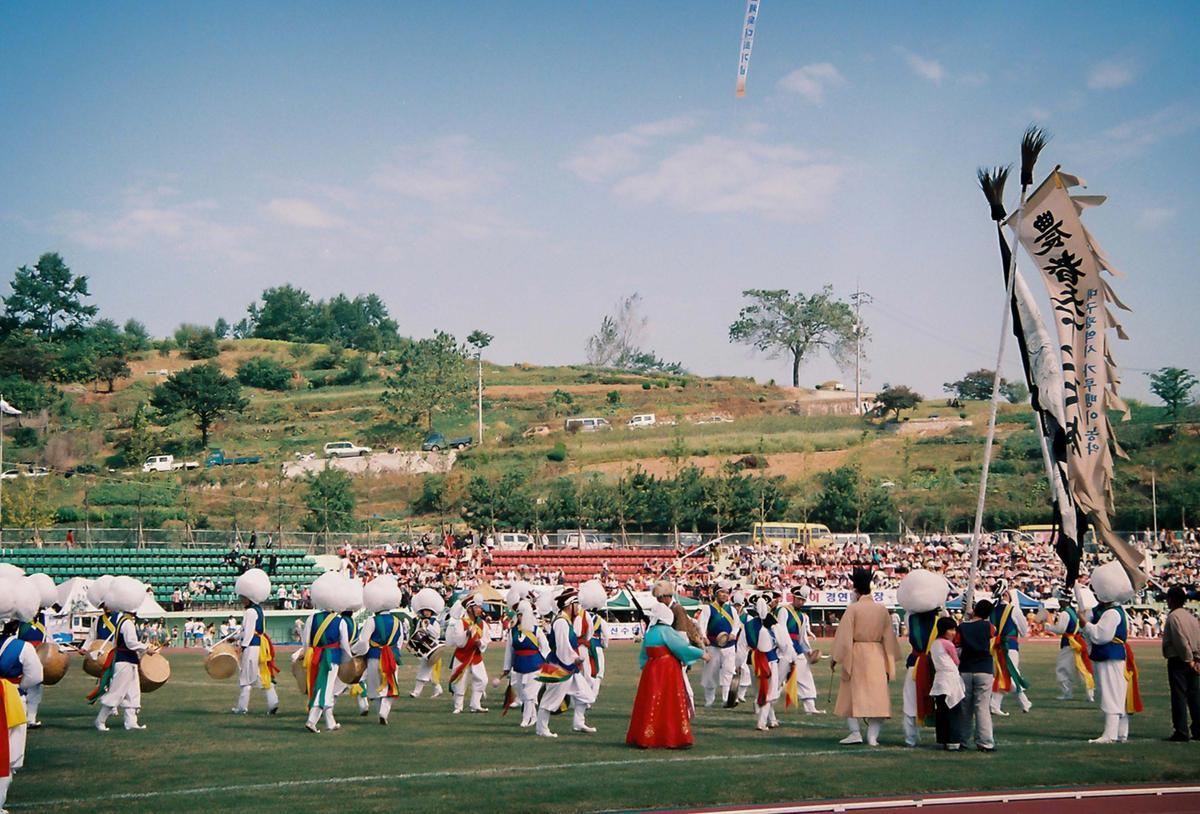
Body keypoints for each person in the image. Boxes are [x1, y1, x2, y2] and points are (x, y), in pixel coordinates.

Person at [832, 567, 900, 747]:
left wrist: (835, 658)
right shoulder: (881, 610)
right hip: (877, 655)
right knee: (878, 697)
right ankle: (872, 736)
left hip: (857, 654)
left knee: (850, 695)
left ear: (855, 591)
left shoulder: (853, 609)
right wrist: (889, 662)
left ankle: (855, 733)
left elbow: (844, 637)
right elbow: (889, 638)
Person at [626, 601, 709, 749]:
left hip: (651, 669)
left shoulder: (650, 632)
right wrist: (701, 653)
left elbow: (643, 655)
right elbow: (681, 647)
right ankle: (673, 736)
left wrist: (646, 667)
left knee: (650, 700)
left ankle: (646, 735)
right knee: (670, 701)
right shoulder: (667, 631)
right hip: (667, 668)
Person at [1081, 561, 1143, 744]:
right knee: (1117, 693)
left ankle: (1110, 734)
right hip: (1114, 655)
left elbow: (1101, 636)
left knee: (1110, 693)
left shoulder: (1112, 613)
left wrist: (1086, 626)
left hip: (1110, 655)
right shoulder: (1112, 610)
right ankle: (1121, 733)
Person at [0, 576, 44, 814]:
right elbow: (35, 677)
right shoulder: (23, 647)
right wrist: (16, 686)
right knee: (8, 753)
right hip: (11, 700)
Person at [293, 572, 355, 733]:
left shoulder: (312, 618)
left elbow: (306, 642)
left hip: (315, 656)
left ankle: (330, 722)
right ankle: (312, 720)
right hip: (331, 657)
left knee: (321, 685)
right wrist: (347, 659)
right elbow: (344, 645)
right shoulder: (340, 621)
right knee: (325, 688)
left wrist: (307, 655)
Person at [91, 577, 153, 732]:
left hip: (129, 660)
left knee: (133, 692)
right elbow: (131, 643)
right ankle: (100, 720)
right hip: (124, 660)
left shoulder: (123, 621)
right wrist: (146, 648)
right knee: (117, 692)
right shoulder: (126, 622)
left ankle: (131, 722)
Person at [897, 569, 949, 747]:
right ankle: (944, 737)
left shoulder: (910, 618)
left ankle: (910, 738)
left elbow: (910, 610)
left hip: (916, 664)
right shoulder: (941, 619)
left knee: (910, 701)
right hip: (937, 665)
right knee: (941, 701)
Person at [354, 575, 405, 725]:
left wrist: (354, 651)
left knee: (375, 686)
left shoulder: (371, 621)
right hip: (392, 657)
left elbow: (363, 642)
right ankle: (384, 712)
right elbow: (400, 642)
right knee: (391, 685)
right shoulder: (398, 621)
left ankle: (380, 713)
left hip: (374, 657)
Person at [534, 589, 585, 738]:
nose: (579, 607)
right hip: (559, 666)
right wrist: (574, 658)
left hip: (566, 666)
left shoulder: (566, 621)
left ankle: (579, 722)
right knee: (551, 698)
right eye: (577, 604)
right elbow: (563, 647)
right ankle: (541, 728)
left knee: (586, 695)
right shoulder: (561, 622)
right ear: (570, 605)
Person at [232, 568, 280, 716]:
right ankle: (273, 701)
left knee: (246, 678)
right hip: (258, 645)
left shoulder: (250, 612)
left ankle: (242, 707)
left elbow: (248, 632)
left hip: (252, 646)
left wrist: (242, 646)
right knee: (259, 675)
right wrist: (237, 637)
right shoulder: (258, 609)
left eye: (243, 597)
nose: (241, 599)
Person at [17, 574, 57, 729]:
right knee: (21, 687)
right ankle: (20, 717)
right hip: (22, 653)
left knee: (36, 687)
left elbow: (47, 636)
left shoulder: (43, 618)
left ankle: (31, 719)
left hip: (38, 655)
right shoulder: (21, 617)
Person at [1161, 585, 1200, 742]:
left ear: (1170, 600)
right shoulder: (1191, 616)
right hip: (1194, 659)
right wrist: (1197, 659)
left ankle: (1181, 730)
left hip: (1180, 660)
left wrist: (1188, 659)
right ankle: (1198, 729)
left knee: (1179, 696)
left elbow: (1180, 641)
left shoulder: (1173, 617)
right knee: (1195, 696)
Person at [501, 584, 544, 728]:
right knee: (521, 691)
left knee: (529, 693)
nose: (519, 617)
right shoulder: (513, 632)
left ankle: (526, 719)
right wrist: (507, 668)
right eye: (518, 614)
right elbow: (509, 651)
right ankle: (534, 717)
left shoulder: (536, 631)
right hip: (519, 665)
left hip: (535, 664)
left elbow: (545, 648)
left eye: (522, 615)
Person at [957, 599, 996, 752]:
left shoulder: (962, 627)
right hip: (984, 669)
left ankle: (962, 740)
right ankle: (985, 742)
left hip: (966, 668)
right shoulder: (990, 627)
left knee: (965, 708)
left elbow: (958, 646)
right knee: (982, 707)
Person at [779, 585, 823, 715]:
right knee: (778, 680)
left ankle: (810, 707)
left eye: (803, 600)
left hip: (797, 649)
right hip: (783, 650)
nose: (801, 602)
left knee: (806, 677)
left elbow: (803, 636)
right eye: (799, 599)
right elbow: (781, 630)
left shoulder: (803, 616)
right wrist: (787, 648)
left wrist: (807, 651)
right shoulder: (784, 611)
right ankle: (765, 705)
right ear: (794, 597)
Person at [696, 581, 741, 708]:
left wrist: (733, 634)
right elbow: (701, 625)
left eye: (727, 593)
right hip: (713, 646)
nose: (724, 595)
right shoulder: (708, 609)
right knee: (711, 673)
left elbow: (736, 625)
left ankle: (726, 699)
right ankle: (709, 700)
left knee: (728, 671)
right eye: (722, 592)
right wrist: (704, 638)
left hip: (729, 646)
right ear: (716, 594)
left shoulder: (732, 609)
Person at [989, 587, 1032, 716]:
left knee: (1003, 675)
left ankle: (995, 705)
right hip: (1010, 646)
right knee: (1012, 674)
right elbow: (1024, 631)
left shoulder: (992, 611)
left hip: (996, 647)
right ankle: (1024, 701)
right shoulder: (1014, 610)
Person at [573, 580, 608, 733]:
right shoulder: (598, 619)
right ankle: (585, 703)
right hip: (589, 649)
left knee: (584, 678)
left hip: (583, 648)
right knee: (593, 676)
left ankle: (579, 717)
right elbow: (604, 638)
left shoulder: (578, 615)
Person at [743, 593, 782, 731]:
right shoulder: (772, 622)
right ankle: (761, 722)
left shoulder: (747, 625)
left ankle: (772, 719)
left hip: (752, 660)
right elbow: (782, 641)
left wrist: (737, 665)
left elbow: (742, 646)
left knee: (760, 690)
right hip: (769, 659)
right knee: (769, 691)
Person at [1045, 596, 1095, 702]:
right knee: (1082, 669)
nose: (1058, 602)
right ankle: (1090, 693)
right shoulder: (1073, 612)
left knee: (1062, 668)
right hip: (1077, 642)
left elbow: (1060, 629)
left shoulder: (1065, 613)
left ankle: (1067, 693)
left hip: (1069, 643)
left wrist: (1048, 627)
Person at [447, 596, 489, 714]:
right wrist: (467, 633)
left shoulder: (483, 624)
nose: (479, 610)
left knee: (482, 680)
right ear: (469, 609)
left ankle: (475, 704)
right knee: (460, 681)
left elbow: (486, 639)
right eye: (477, 607)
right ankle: (458, 706)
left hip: (476, 656)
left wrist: (480, 643)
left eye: (480, 607)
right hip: (462, 655)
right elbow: (458, 642)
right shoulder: (460, 622)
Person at [930, 616, 964, 751]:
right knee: (953, 711)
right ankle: (953, 741)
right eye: (951, 630)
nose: (953, 633)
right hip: (950, 678)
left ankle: (943, 739)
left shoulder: (934, 643)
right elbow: (956, 661)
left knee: (942, 711)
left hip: (939, 680)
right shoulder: (948, 644)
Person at [409, 588, 446, 699]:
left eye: (428, 611)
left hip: (432, 649)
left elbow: (436, 634)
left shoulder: (434, 622)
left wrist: (428, 626)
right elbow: (416, 633)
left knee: (424, 671)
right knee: (428, 671)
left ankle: (416, 692)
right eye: (425, 610)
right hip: (423, 649)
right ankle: (438, 688)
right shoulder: (419, 621)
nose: (426, 612)